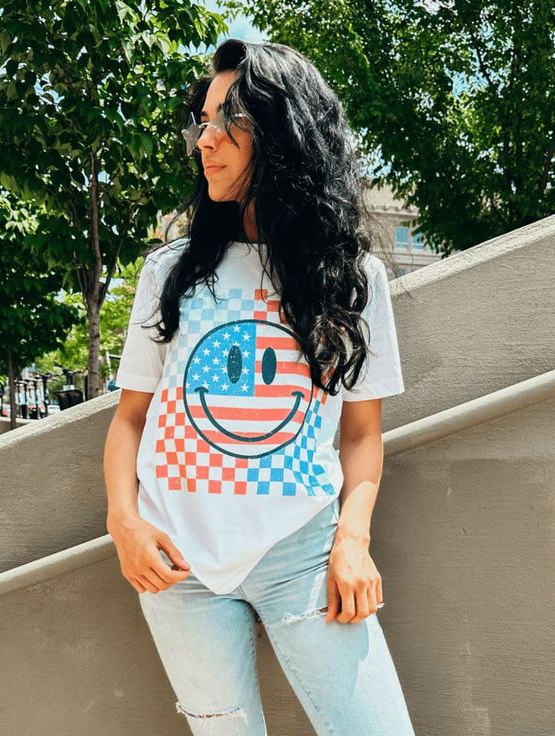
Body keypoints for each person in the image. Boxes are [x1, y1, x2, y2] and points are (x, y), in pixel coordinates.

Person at [103, 38, 415, 736]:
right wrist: (124, 521)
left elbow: (362, 434)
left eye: (225, 122)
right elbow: (129, 420)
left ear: (280, 132)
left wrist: (353, 543)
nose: (203, 141)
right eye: (200, 123)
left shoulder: (351, 278)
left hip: (303, 554)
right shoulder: (172, 272)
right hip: (177, 565)